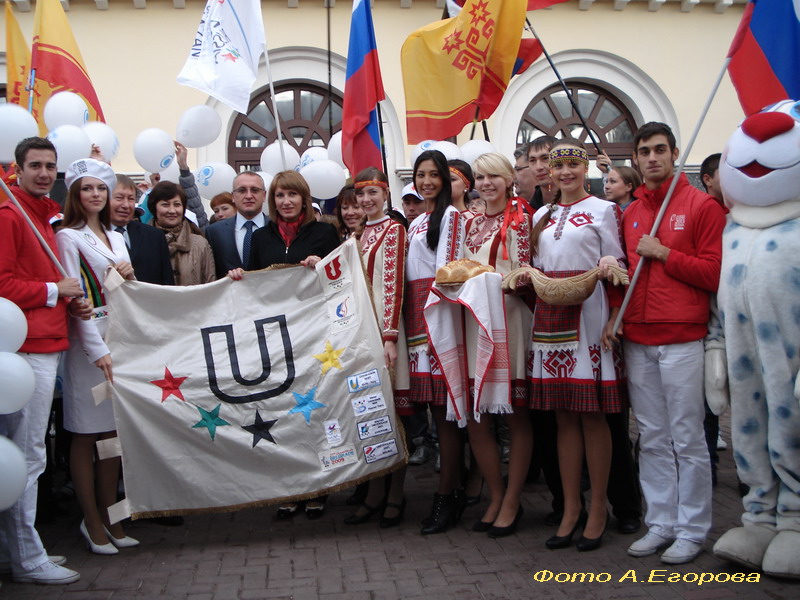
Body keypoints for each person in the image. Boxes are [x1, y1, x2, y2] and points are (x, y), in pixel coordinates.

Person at [606, 122, 726, 564]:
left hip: (683, 338)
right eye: (644, 151)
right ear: (635, 159)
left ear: (675, 153)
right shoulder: (631, 211)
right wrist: (617, 308)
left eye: (660, 150)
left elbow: (714, 274)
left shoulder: (702, 206)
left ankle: (693, 529)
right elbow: (623, 272)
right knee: (652, 435)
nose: (652, 158)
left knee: (688, 437)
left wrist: (665, 255)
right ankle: (662, 523)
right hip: (638, 338)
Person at [527, 139, 627, 552]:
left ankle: (599, 508)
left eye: (573, 164)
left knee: (592, 415)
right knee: (563, 416)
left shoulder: (604, 210)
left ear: (584, 168)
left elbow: (617, 262)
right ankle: (571, 508)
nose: (565, 172)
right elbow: (536, 266)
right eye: (558, 165)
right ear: (549, 172)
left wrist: (612, 316)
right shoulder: (541, 215)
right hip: (550, 315)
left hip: (589, 313)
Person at [228, 170, 339, 519]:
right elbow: (254, 284)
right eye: (279, 196)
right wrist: (237, 277)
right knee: (280, 412)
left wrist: (321, 266)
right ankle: (291, 487)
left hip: (314, 336)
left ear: (304, 199)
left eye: (292, 195)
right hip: (276, 339)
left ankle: (319, 487)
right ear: (272, 201)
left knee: (314, 409)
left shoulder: (324, 232)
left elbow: (340, 277)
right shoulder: (261, 237)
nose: (286, 201)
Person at [0, 137, 85, 585]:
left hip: (46, 343)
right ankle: (28, 557)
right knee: (28, 456)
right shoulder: (12, 217)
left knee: (24, 454)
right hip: (25, 350)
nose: (45, 173)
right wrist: (57, 292)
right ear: (17, 169)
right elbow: (3, 285)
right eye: (35, 165)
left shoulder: (44, 219)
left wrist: (72, 303)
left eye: (51, 166)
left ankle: (14, 550)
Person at [56, 158, 139, 557]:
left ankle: (114, 516)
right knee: (86, 432)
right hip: (89, 349)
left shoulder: (116, 237)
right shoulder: (67, 237)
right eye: (87, 188)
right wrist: (97, 350)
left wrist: (130, 275)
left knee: (112, 434)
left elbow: (122, 291)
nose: (95, 195)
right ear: (75, 193)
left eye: (100, 189)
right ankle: (91, 520)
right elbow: (79, 300)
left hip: (118, 340)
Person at [464, 153, 533, 537]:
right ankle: (496, 492)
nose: (486, 183)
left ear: (508, 180)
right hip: (475, 322)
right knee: (478, 415)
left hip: (509, 319)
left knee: (515, 412)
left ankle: (513, 499)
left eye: (493, 176)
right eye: (480, 176)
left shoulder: (521, 220)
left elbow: (523, 276)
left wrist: (487, 279)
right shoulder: (470, 222)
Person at [343, 167, 411, 528]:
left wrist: (389, 337)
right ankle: (373, 492)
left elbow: (393, 284)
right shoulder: (360, 233)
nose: (367, 201)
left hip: (385, 328)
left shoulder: (393, 229)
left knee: (392, 413)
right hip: (363, 330)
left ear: (385, 195)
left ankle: (396, 493)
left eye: (373, 193)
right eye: (361, 195)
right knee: (369, 412)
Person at [404, 150, 466, 534]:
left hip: (438, 313)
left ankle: (448, 495)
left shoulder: (452, 216)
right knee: (429, 405)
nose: (427, 182)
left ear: (444, 179)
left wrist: (433, 321)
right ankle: (453, 490)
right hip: (414, 314)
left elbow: (448, 272)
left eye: (433, 175)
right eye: (420, 175)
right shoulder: (417, 221)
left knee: (445, 411)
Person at [109, 175, 175, 285]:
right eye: (119, 198)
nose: (126, 205)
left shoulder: (154, 237)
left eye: (130, 199)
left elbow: (167, 284)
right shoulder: (92, 236)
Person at [148, 181, 215, 286]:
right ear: (154, 208)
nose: (172, 210)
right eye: (165, 205)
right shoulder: (143, 241)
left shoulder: (200, 244)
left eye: (177, 204)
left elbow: (210, 284)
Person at [205, 171, 269, 279]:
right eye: (242, 190)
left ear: (264, 195)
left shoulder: (279, 227)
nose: (249, 196)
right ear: (233, 196)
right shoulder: (214, 232)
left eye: (254, 190)